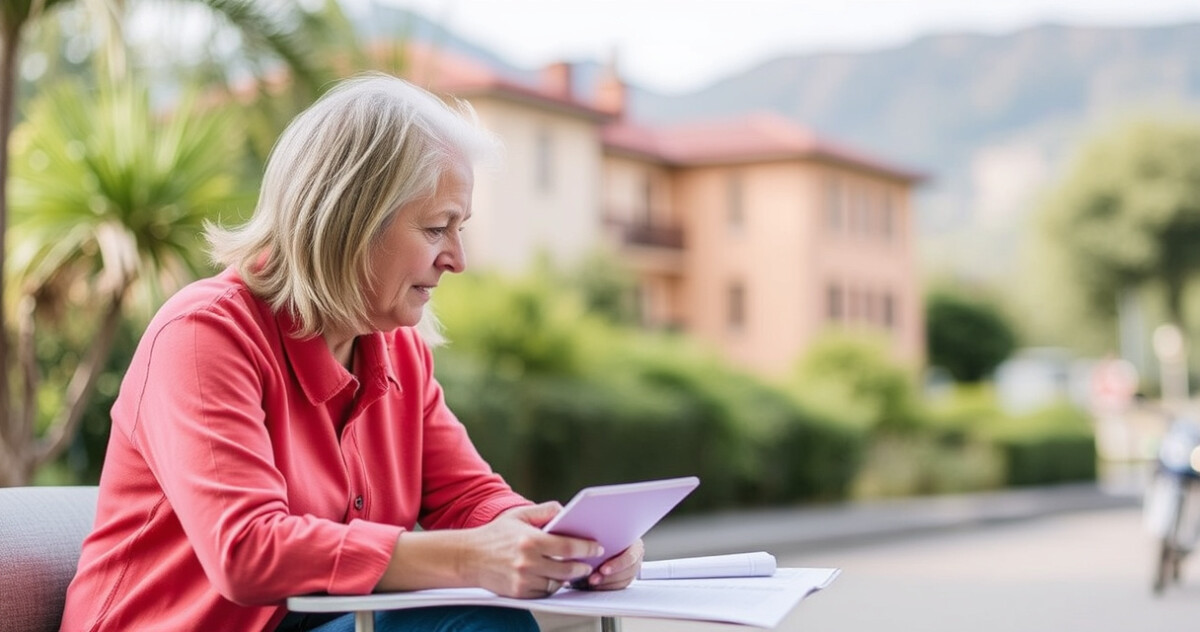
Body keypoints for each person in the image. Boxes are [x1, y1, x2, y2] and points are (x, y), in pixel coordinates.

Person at [59, 72, 643, 632]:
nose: (457, 259)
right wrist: (470, 559)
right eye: (436, 228)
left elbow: (468, 497)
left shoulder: (399, 352)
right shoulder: (202, 336)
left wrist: (561, 541)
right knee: (473, 622)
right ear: (350, 221)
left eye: (460, 228)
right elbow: (246, 549)